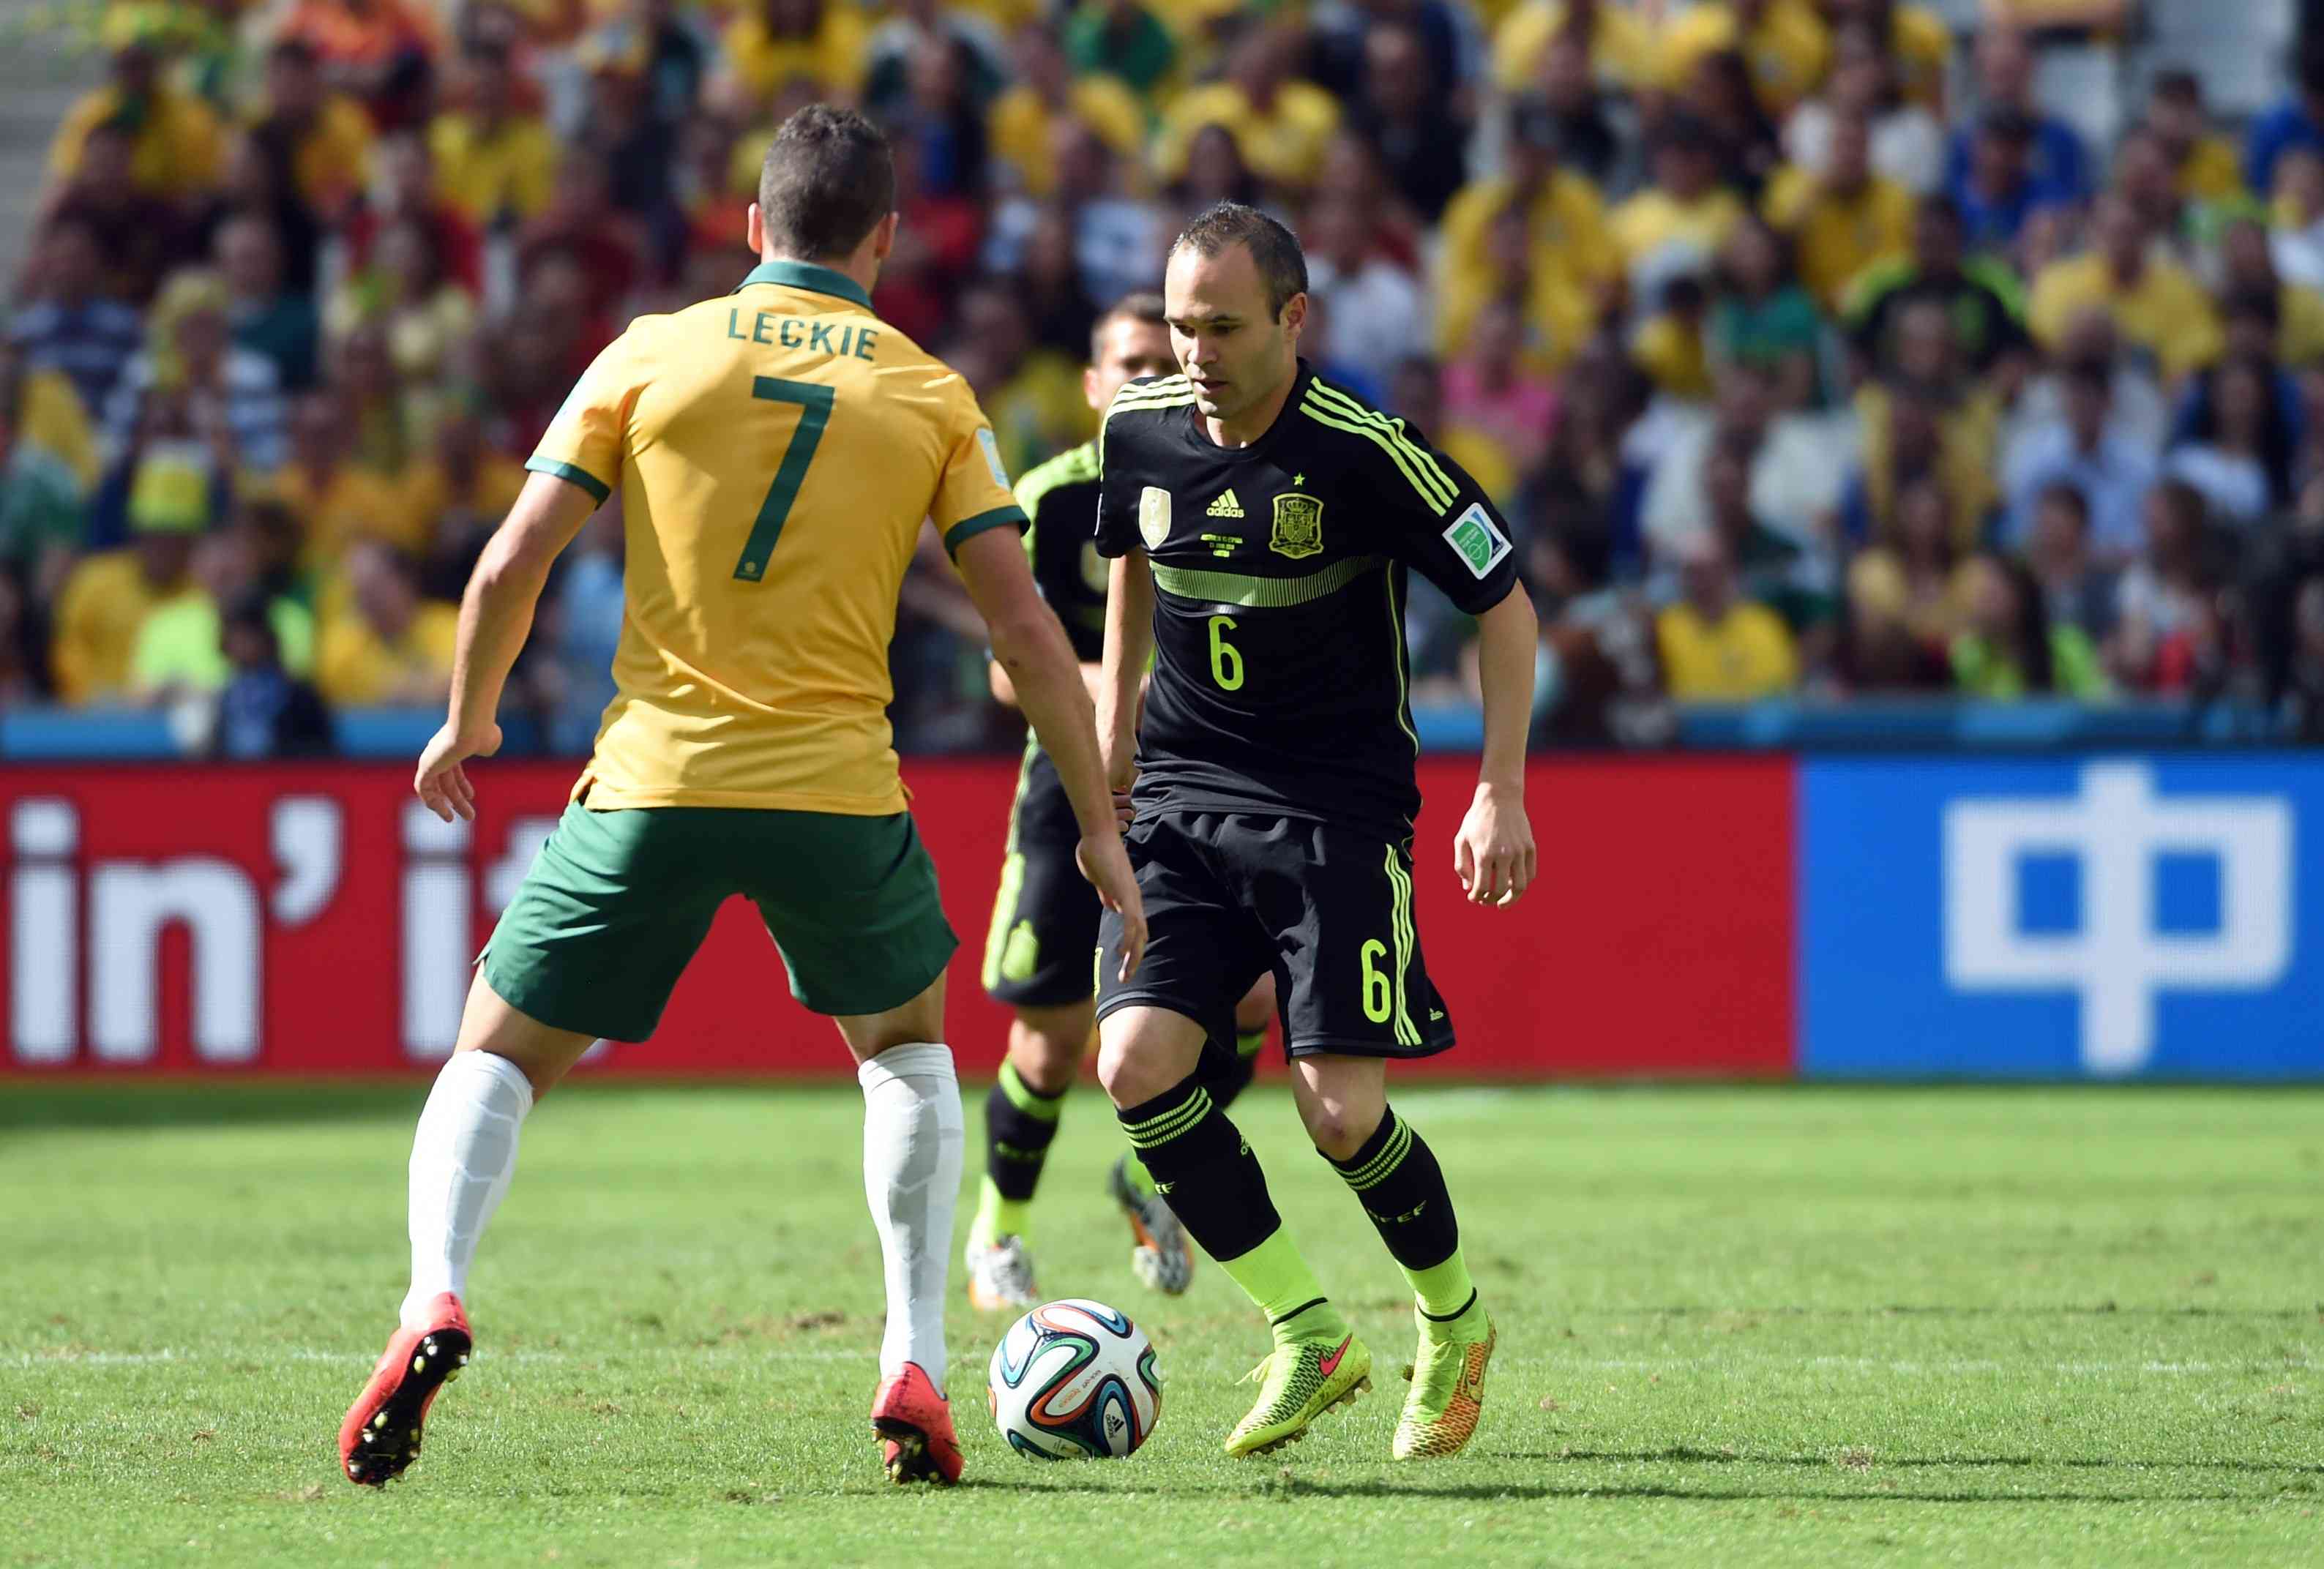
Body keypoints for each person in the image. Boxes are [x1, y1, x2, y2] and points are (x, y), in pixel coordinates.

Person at [336, 105, 1144, 1493]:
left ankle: (433, 1296)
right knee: (905, 1053)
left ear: (757, 226)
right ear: (886, 241)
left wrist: (467, 719)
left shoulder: (652, 352)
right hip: (836, 789)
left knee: (497, 1054)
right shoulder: (930, 393)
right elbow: (1022, 632)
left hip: (652, 776)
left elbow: (511, 563)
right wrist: (1100, 823)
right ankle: (914, 1360)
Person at [1092, 202, 1537, 1462]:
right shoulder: (1135, 432)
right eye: (1181, 325)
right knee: (1133, 1065)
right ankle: (1309, 1332)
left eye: (1224, 327)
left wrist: (1500, 788)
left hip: (1332, 813)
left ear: (1295, 319)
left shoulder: (1367, 453)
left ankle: (1454, 1322)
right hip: (1178, 803)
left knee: (1338, 1115)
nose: (1196, 352)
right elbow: (1130, 569)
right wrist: (1110, 755)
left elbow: (1506, 605)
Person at [965, 293, 1277, 1314]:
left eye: (1164, 362)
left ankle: (1155, 1173)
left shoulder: (1230, 483)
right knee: (1054, 1037)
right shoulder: (1052, 500)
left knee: (1250, 1001)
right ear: (1095, 386)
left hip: (1203, 788)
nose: (1151, 379)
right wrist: (1128, 696)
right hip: (1074, 785)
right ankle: (999, 1232)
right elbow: (1009, 669)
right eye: (1131, 365)